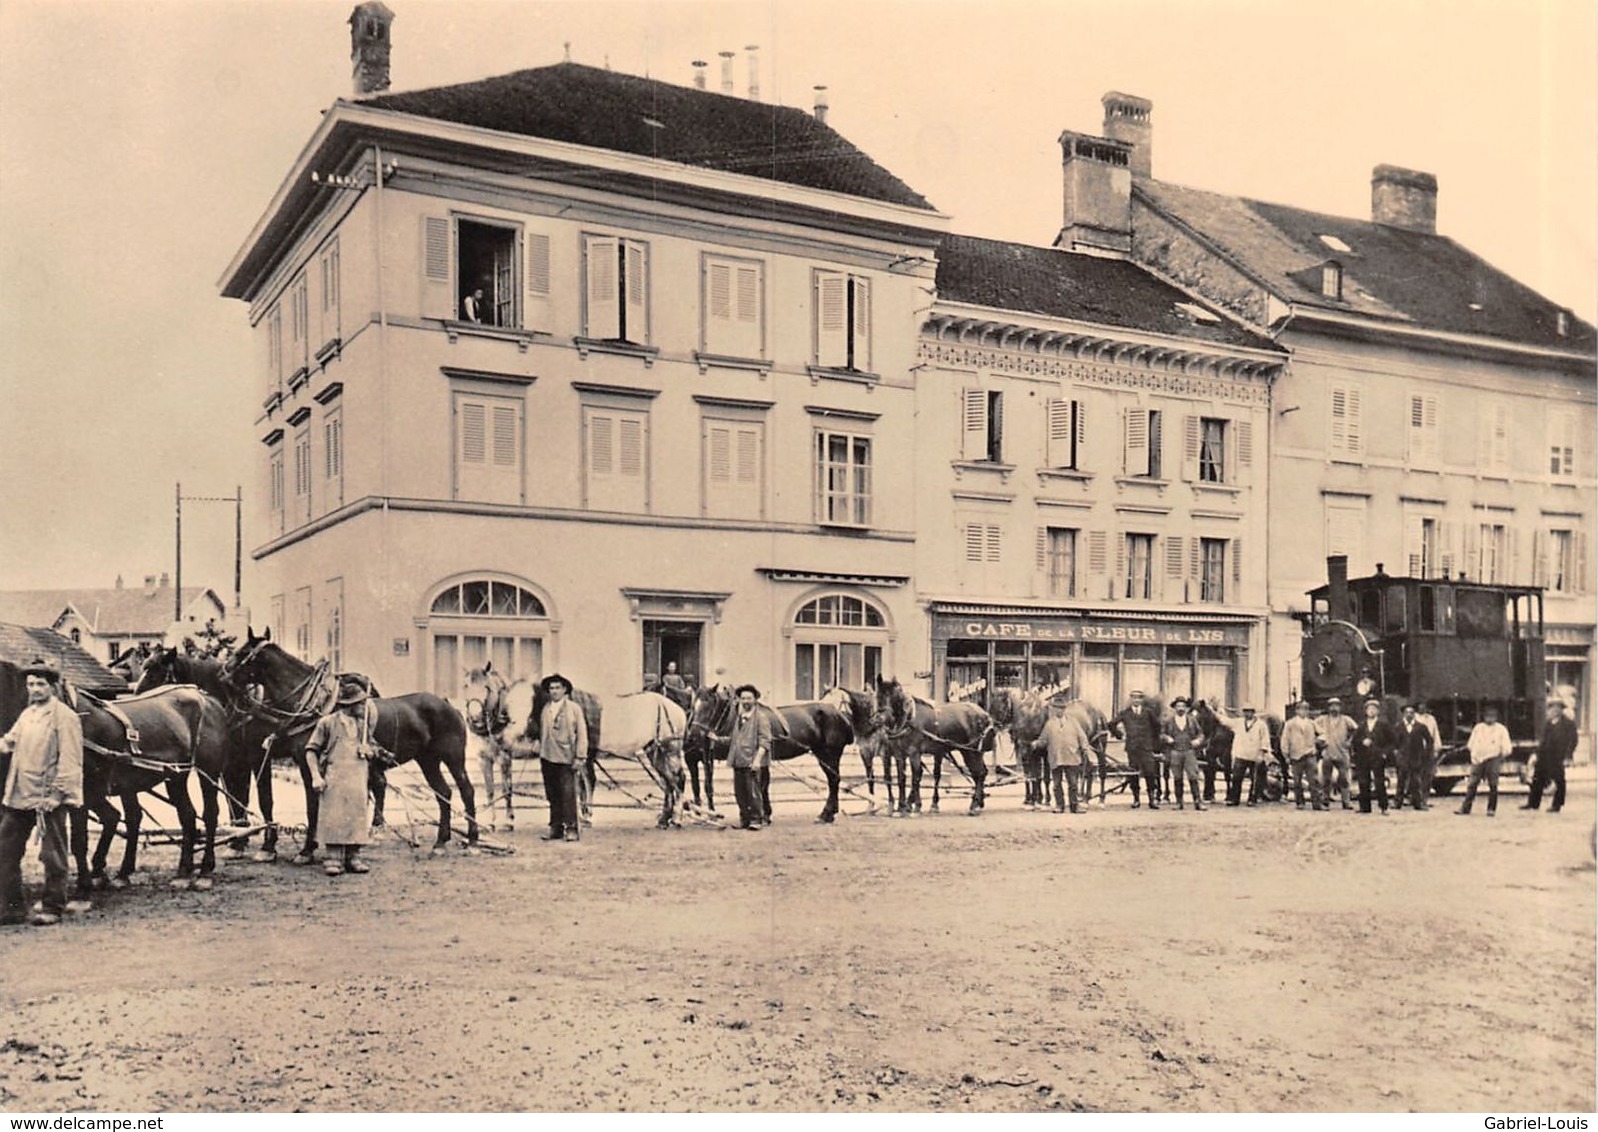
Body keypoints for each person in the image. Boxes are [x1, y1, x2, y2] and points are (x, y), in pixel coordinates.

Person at [0, 659, 84, 927]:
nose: (34, 689)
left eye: (40, 684)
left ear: (52, 687)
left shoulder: (64, 717)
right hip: (19, 795)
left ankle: (53, 906)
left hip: (47, 798)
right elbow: (9, 742)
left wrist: (57, 796)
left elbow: (71, 761)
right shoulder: (27, 714)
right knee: (5, 850)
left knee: (53, 855)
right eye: (30, 684)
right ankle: (12, 908)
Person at [303, 678, 376, 875]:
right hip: (335, 777)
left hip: (358, 777)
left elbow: (373, 747)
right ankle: (333, 857)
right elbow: (311, 751)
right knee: (334, 815)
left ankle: (354, 856)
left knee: (356, 814)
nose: (364, 706)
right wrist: (316, 776)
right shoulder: (327, 723)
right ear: (350, 705)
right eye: (361, 703)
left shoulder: (363, 725)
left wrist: (370, 750)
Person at [536, 675, 587, 842]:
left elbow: (582, 733)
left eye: (558, 688)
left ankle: (571, 828)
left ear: (564, 690)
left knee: (568, 794)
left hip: (566, 758)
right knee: (552, 794)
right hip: (547, 757)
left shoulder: (574, 709)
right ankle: (555, 827)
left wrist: (580, 756)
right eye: (552, 688)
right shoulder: (546, 709)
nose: (554, 691)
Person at [1032, 693, 1092, 813]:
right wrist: (1036, 743)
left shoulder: (1073, 722)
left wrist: (1085, 748)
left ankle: (1074, 806)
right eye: (1056, 708)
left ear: (1064, 709)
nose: (1058, 710)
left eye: (1061, 708)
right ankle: (1060, 805)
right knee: (1056, 784)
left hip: (1072, 756)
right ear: (1053, 709)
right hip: (1056, 757)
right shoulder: (1049, 724)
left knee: (1073, 783)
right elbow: (1044, 739)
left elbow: (1082, 736)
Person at [726, 684, 771, 830]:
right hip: (738, 761)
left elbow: (765, 740)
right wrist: (716, 739)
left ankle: (756, 820)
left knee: (754, 792)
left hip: (752, 761)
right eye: (743, 698)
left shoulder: (761, 718)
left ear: (755, 700)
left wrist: (757, 760)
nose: (746, 701)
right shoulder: (739, 718)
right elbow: (735, 739)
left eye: (749, 698)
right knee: (740, 793)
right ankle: (744, 819)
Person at [1457, 705, 1512, 817]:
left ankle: (1491, 809)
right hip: (1478, 760)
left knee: (1493, 785)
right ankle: (1465, 808)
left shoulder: (1501, 729)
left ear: (1496, 717)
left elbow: (1507, 748)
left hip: (1493, 759)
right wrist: (1475, 756)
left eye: (1492, 716)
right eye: (1487, 716)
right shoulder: (1478, 728)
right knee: (1472, 784)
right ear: (1484, 717)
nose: (1489, 718)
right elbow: (1471, 744)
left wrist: (1499, 758)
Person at [1522, 700, 1577, 813]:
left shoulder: (1568, 724)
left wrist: (1568, 755)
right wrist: (1537, 753)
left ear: (1561, 710)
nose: (1553, 711)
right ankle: (1533, 803)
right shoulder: (1549, 723)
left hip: (1558, 755)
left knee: (1559, 780)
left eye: (1556, 708)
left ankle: (1557, 805)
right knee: (1538, 778)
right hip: (1544, 755)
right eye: (1551, 708)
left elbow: (1573, 740)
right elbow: (1543, 740)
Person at [1112, 690, 1161, 810]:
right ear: (1131, 699)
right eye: (1134, 698)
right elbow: (1111, 724)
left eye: (1139, 698)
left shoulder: (1148, 713)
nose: (1136, 700)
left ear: (1142, 700)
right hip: (1132, 748)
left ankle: (1152, 799)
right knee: (1133, 774)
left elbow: (1157, 727)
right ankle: (1136, 799)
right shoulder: (1125, 713)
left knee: (1150, 773)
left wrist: (1153, 742)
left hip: (1146, 748)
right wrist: (1119, 735)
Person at [1350, 698, 1395, 815]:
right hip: (1363, 758)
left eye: (1374, 709)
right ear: (1365, 711)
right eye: (1369, 709)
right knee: (1363, 782)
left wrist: (1384, 753)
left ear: (1378, 711)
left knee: (1379, 782)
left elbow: (1393, 741)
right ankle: (1365, 807)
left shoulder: (1383, 725)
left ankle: (1384, 807)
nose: (1371, 711)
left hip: (1378, 757)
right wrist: (1362, 742)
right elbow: (1354, 740)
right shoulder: (1361, 725)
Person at [1160, 697, 1206, 811]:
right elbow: (1161, 734)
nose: (1180, 708)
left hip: (1189, 751)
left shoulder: (1192, 720)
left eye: (1183, 706)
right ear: (1174, 708)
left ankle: (1197, 802)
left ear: (1186, 708)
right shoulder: (1168, 721)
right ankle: (1179, 802)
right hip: (1175, 751)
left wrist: (1198, 741)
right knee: (1177, 777)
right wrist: (1167, 738)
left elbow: (1201, 734)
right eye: (1178, 706)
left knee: (1193, 776)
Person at [1315, 696, 1357, 811]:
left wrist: (1350, 742)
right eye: (1332, 706)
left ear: (1340, 707)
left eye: (1336, 705)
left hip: (1342, 753)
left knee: (1344, 779)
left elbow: (1356, 730)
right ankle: (1325, 801)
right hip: (1328, 752)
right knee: (1326, 779)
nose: (1334, 708)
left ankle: (1346, 802)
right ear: (1328, 708)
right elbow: (1311, 728)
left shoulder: (1346, 719)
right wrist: (1318, 742)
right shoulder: (1322, 720)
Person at [1281, 700, 1324, 811]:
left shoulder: (1311, 723)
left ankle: (1317, 803)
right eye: (1301, 709)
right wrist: (1285, 754)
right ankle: (1300, 802)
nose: (1304, 711)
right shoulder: (1290, 724)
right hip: (1295, 755)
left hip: (1310, 754)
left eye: (1306, 709)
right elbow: (1284, 739)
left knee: (1313, 780)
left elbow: (1323, 734)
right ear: (1296, 710)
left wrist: (1318, 740)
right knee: (1297, 781)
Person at [1394, 703, 1436, 810]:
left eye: (1411, 712)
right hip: (1403, 758)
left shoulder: (1420, 727)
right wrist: (1396, 753)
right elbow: (1394, 742)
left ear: (1414, 714)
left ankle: (1418, 804)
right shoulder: (1399, 727)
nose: (1409, 715)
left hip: (1416, 758)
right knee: (1401, 781)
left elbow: (1430, 741)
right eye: (1407, 712)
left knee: (1416, 782)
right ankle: (1397, 803)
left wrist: (1425, 753)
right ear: (1403, 714)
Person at [1226, 705, 1270, 807]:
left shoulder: (1261, 725)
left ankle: (1252, 799)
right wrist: (1212, 711)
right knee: (1236, 777)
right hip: (1241, 754)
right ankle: (1234, 799)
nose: (1247, 714)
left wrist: (1261, 753)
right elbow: (1225, 721)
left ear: (1253, 712)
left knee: (1254, 779)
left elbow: (1265, 739)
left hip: (1254, 755)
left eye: (1249, 711)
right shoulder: (1239, 722)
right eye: (1245, 711)